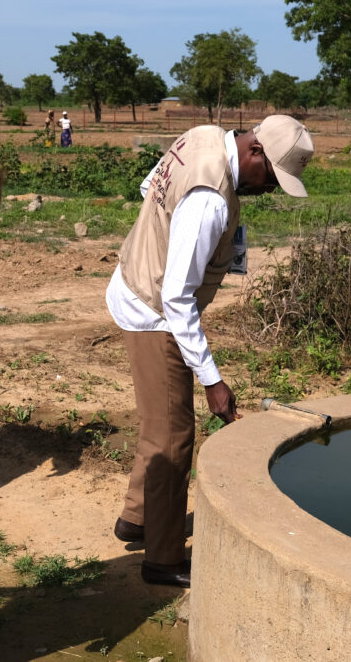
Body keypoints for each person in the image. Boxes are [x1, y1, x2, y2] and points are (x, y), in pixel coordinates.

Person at [105, 115, 314, 588]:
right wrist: (213, 381)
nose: (272, 190)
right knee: (174, 437)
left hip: (134, 283)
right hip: (154, 310)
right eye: (274, 179)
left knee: (159, 422)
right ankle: (161, 560)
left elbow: (149, 188)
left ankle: (137, 520)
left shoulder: (202, 136)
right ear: (255, 152)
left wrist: (163, 238)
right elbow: (177, 299)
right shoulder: (210, 202)